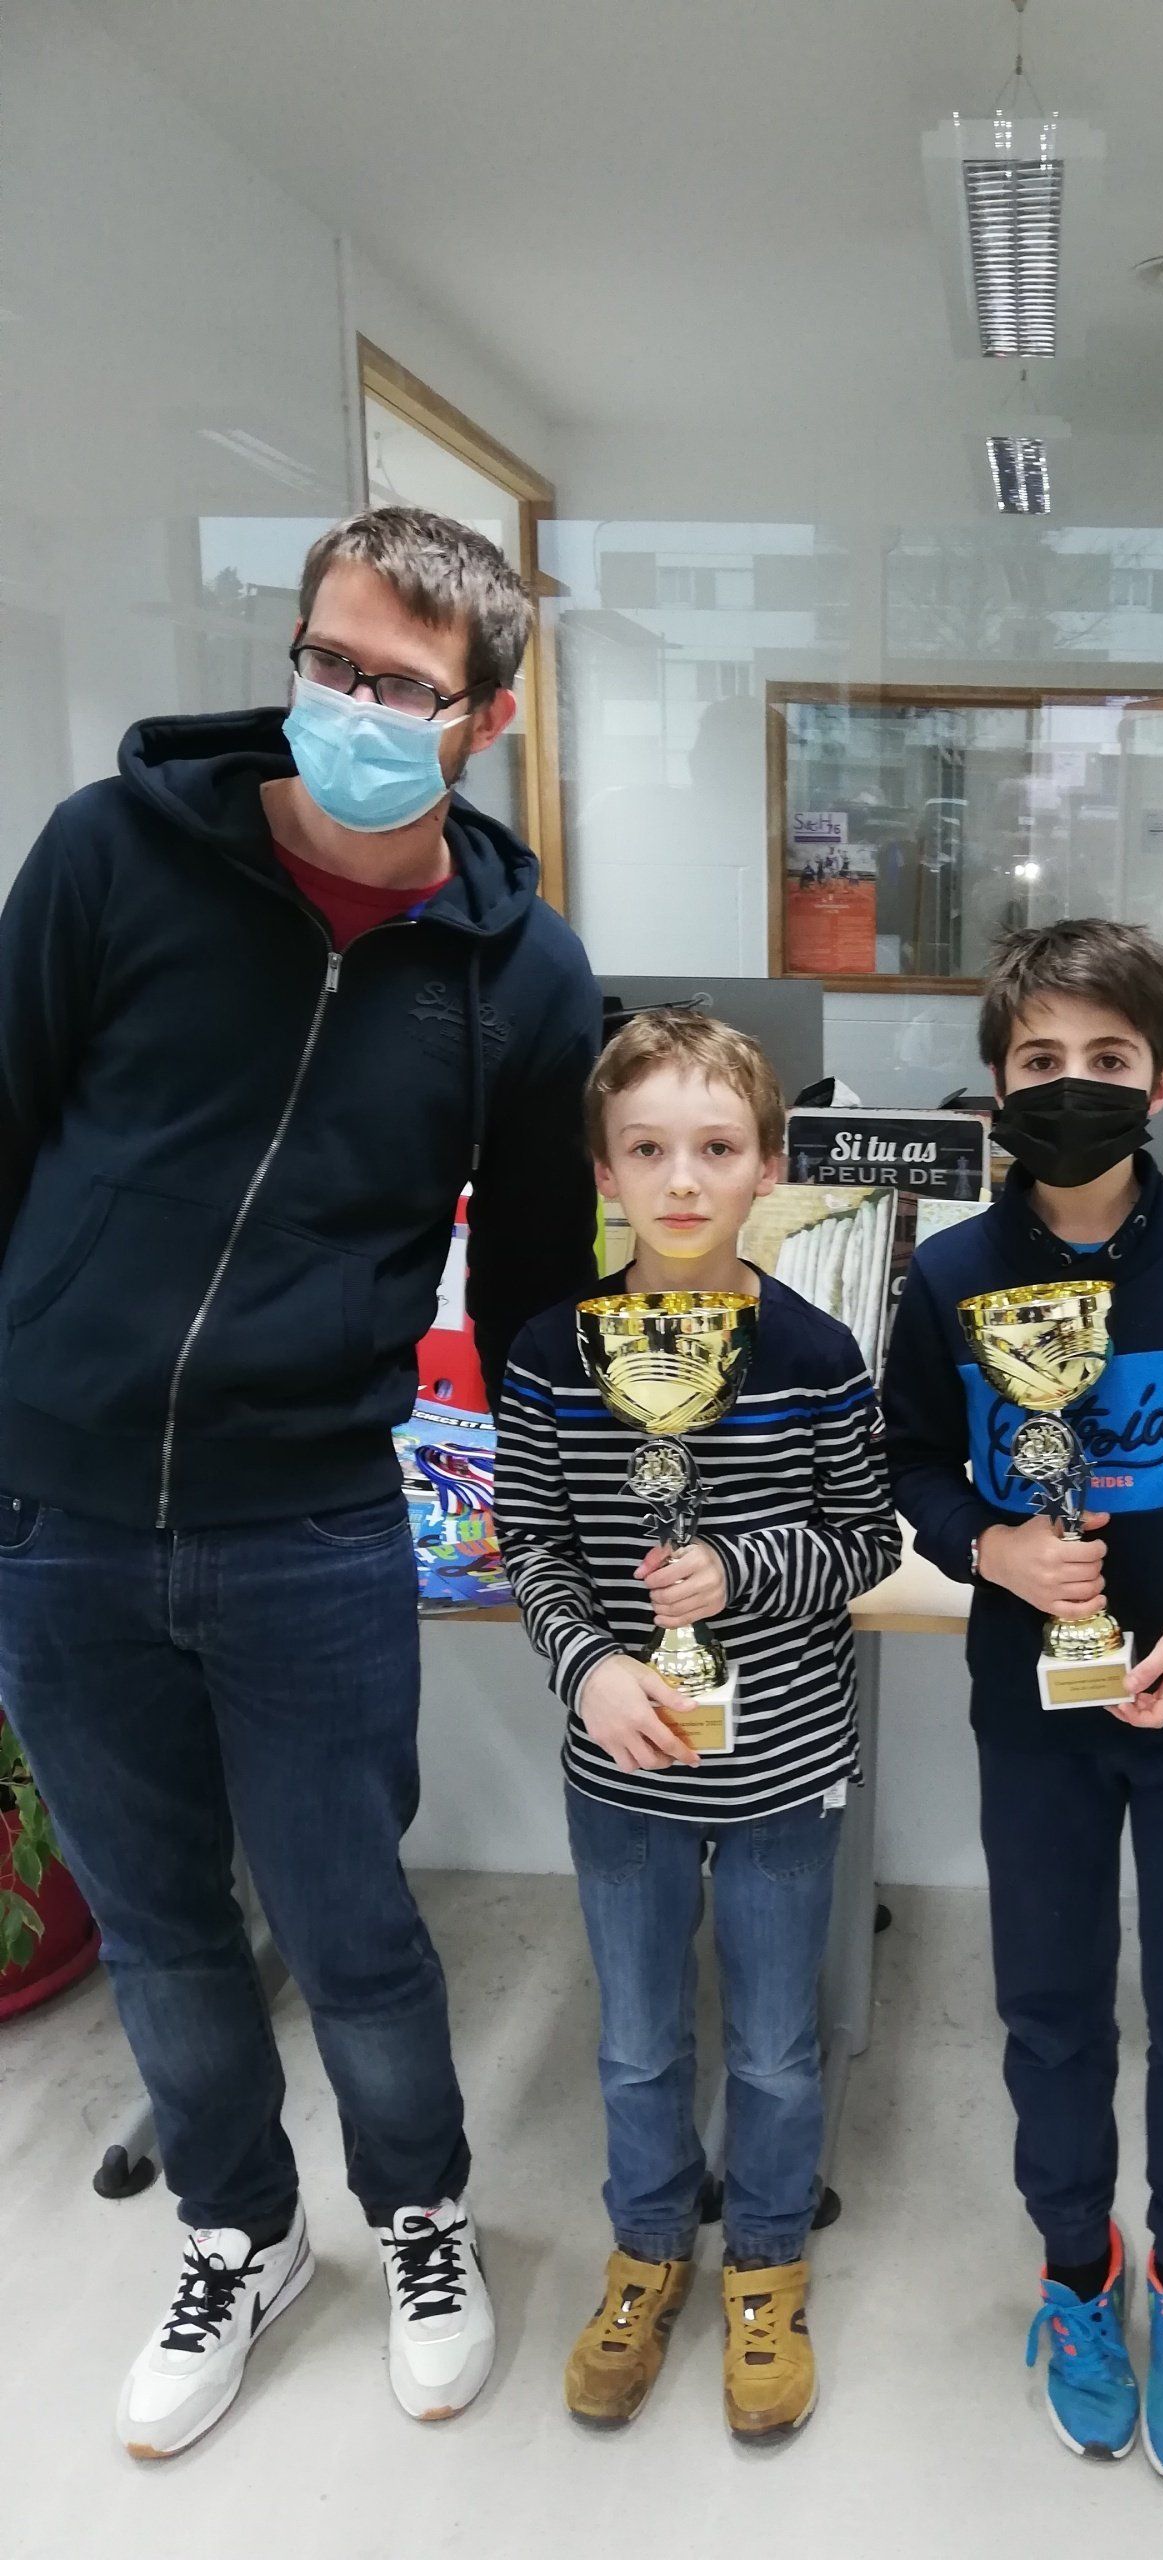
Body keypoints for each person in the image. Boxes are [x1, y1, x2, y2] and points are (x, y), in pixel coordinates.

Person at [0, 506, 603, 2457]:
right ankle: (239, 2233)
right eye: (328, 661)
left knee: (352, 1926)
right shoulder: (113, 856)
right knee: (160, 1920)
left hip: (315, 1519)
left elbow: (535, 1279)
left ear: (480, 719)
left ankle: (421, 2217)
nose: (347, 703)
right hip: (61, 1510)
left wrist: (575, 1490)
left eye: (399, 685)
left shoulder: (522, 974)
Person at [882, 920, 1163, 2505]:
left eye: (1110, 1058)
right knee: (1051, 2011)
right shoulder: (950, 1275)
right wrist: (987, 1545)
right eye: (1042, 1060)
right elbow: (910, 1457)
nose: (1075, 1084)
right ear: (998, 1087)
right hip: (1040, 1720)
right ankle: (1080, 2271)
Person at [493, 1010, 898, 2443]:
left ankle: (768, 2260)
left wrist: (744, 1571)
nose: (682, 1180)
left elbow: (867, 1540)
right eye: (648, 1149)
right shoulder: (549, 1355)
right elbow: (532, 1542)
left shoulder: (819, 1354)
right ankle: (650, 2247)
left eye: (716, 1148)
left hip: (785, 1767)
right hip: (624, 1768)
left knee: (779, 2046)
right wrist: (593, 1670)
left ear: (767, 1168)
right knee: (638, 2044)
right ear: (604, 1171)